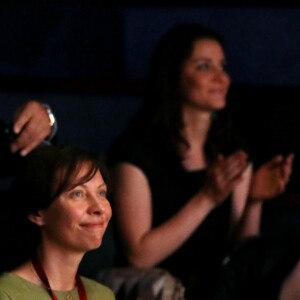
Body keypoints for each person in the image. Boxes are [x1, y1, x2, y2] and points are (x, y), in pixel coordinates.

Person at [106, 23, 294, 299]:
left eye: (223, 67)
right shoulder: (137, 151)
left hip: (219, 282)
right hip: (161, 287)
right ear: (174, 76)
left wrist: (255, 199)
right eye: (205, 67)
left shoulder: (231, 148)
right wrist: (207, 197)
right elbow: (139, 256)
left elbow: (241, 249)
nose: (221, 78)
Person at [0, 144, 115, 300]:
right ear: (36, 213)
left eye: (101, 192)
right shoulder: (6, 293)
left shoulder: (103, 295)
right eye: (78, 194)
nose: (99, 207)